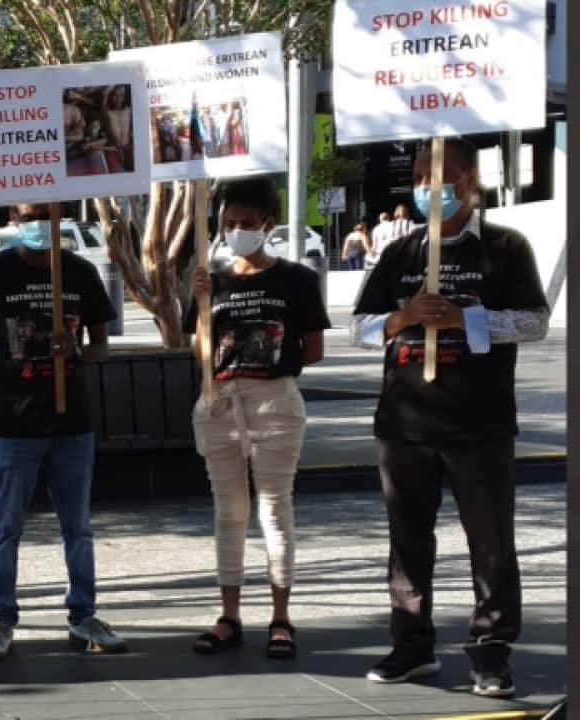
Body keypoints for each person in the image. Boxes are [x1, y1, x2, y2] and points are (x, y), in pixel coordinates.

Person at [350, 137, 548, 698]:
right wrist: (400, 318)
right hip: (404, 425)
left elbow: (534, 322)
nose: (423, 187)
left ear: (468, 182)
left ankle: (491, 650)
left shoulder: (506, 247)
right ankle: (412, 645)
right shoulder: (399, 253)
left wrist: (468, 320)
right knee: (408, 541)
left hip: (478, 426)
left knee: (490, 543)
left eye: (437, 175)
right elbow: (358, 328)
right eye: (416, 176)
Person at [0, 203, 125, 661]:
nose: (37, 225)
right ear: (15, 218)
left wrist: (75, 348)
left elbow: (101, 348)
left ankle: (83, 614)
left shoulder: (78, 272)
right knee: (6, 527)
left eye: (46, 216)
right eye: (29, 216)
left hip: (71, 424)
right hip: (14, 423)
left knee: (78, 527)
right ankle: (1, 619)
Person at [183, 177, 329, 660]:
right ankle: (229, 616)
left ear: (269, 224)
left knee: (274, 510)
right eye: (229, 224)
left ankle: (280, 617)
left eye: (247, 223)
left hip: (274, 402)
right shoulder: (211, 280)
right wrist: (201, 304)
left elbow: (314, 349)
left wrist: (268, 363)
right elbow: (200, 353)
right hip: (218, 400)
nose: (237, 231)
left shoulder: (296, 279)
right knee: (228, 513)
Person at [102, 84, 133, 172]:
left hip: (127, 147)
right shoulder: (107, 112)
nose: (118, 98)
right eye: (115, 95)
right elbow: (105, 93)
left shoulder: (128, 110)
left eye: (121, 95)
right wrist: (115, 83)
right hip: (112, 148)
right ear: (111, 96)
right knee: (115, 173)